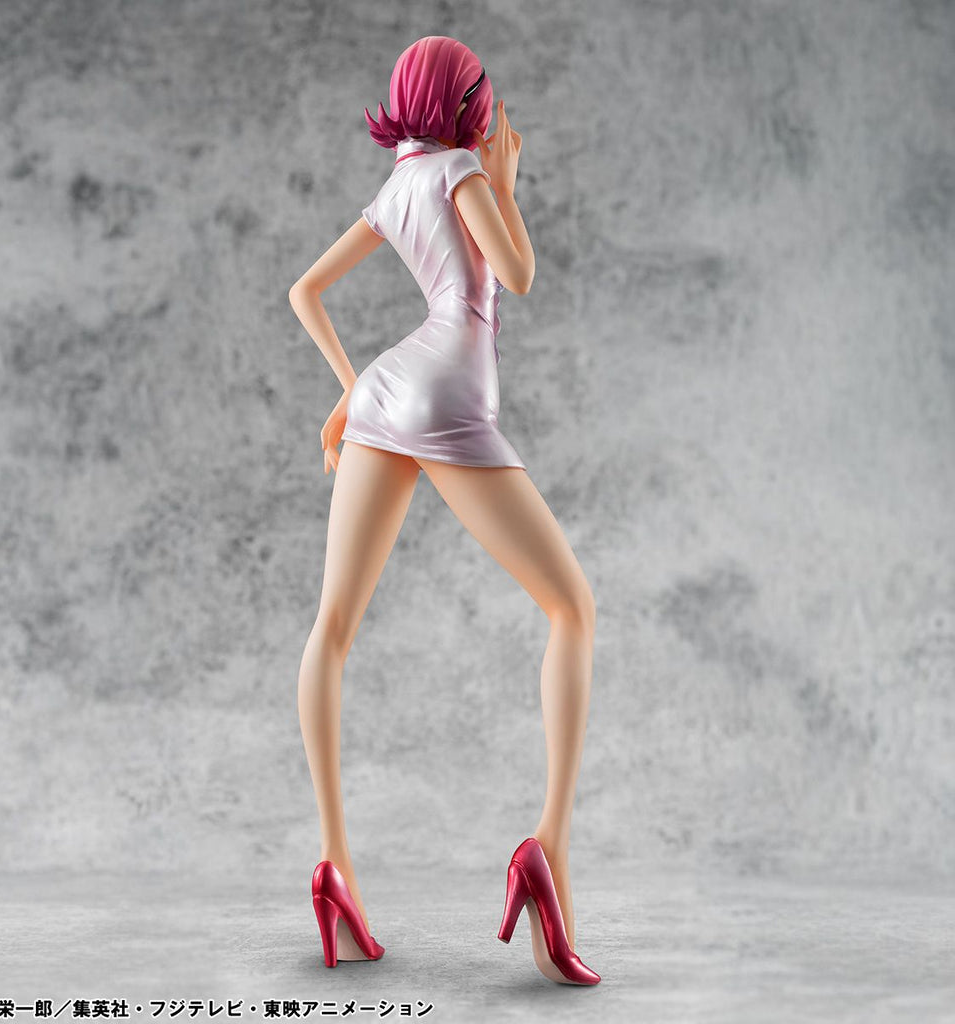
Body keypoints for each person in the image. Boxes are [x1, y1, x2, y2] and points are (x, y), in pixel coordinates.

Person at [288, 35, 600, 985]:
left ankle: (334, 867)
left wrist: (351, 388)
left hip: (387, 391)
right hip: (449, 394)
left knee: (332, 629)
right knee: (571, 611)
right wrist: (504, 182)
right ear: (469, 107)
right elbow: (518, 275)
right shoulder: (462, 170)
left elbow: (305, 292)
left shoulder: (399, 182)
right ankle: (548, 850)